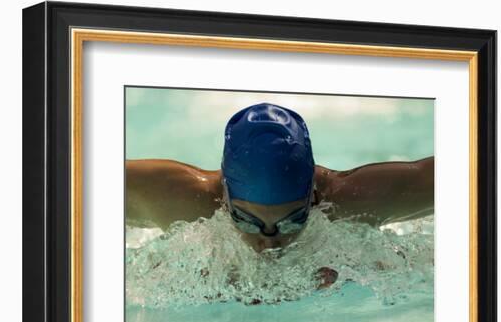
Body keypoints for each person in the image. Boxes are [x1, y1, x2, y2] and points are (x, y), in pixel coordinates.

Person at [126, 102, 433, 288]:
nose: (270, 244)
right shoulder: (179, 200)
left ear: (312, 197)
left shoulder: (351, 202)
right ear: (224, 196)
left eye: (292, 221)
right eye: (247, 221)